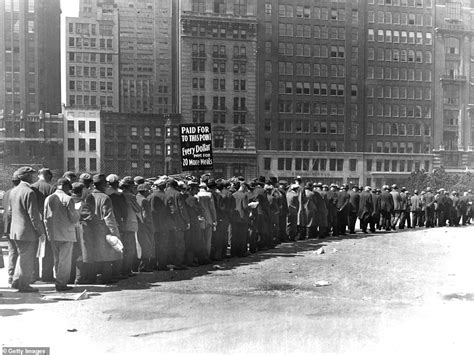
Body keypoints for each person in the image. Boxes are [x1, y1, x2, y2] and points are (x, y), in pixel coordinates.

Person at [9, 166, 47, 292]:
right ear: (25, 176)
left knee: (21, 256)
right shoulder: (29, 192)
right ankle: (24, 285)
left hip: (15, 231)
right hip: (27, 232)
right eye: (30, 175)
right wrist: (41, 232)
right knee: (27, 258)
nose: (33, 177)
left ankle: (16, 281)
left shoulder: (13, 191)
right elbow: (34, 216)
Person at [83, 174, 123, 284]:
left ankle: (91, 278)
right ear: (102, 184)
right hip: (103, 229)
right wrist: (115, 233)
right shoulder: (105, 198)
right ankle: (106, 278)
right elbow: (109, 217)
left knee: (93, 253)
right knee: (106, 255)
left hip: (90, 229)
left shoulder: (88, 195)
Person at [44, 178, 80, 291]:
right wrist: (78, 212)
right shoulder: (68, 199)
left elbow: (46, 218)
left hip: (53, 233)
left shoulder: (48, 198)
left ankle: (58, 280)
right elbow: (73, 218)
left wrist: (48, 232)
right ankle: (61, 283)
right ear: (65, 187)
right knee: (65, 260)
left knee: (57, 259)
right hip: (67, 234)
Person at [31, 167, 56, 282]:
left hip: (34, 223)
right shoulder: (52, 188)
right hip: (48, 223)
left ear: (38, 175)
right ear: (49, 176)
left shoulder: (32, 187)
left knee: (34, 249)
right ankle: (47, 275)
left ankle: (34, 275)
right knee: (48, 250)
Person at [148, 177, 173, 270]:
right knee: (163, 245)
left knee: (154, 245)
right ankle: (162, 265)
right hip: (164, 225)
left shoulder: (150, 196)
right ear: (164, 186)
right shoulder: (167, 196)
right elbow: (172, 211)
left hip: (153, 225)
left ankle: (152, 264)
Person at [165, 178, 190, 270]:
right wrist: (187, 220)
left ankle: (169, 261)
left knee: (169, 243)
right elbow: (182, 208)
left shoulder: (164, 193)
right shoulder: (177, 194)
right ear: (176, 186)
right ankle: (179, 263)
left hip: (167, 223)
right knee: (180, 244)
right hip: (178, 222)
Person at [120, 176, 141, 276]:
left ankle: (123, 269)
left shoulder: (120, 194)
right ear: (130, 187)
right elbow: (138, 209)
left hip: (122, 224)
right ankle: (127, 270)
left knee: (123, 248)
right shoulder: (131, 196)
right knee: (130, 248)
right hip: (130, 224)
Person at [3, 175, 21, 286]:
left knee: (12, 251)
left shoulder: (6, 193)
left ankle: (11, 275)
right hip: (15, 225)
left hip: (7, 226)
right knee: (20, 251)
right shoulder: (17, 193)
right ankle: (16, 277)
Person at [136, 183, 155, 272]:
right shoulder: (144, 200)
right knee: (146, 245)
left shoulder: (136, 198)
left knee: (140, 245)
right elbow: (146, 216)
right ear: (145, 191)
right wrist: (150, 226)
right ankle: (144, 266)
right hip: (145, 226)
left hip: (138, 225)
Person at [197, 182, 217, 264]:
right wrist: (214, 219)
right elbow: (212, 209)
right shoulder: (209, 195)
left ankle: (200, 257)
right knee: (208, 240)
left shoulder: (196, 195)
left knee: (201, 239)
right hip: (208, 219)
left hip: (200, 219)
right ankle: (207, 257)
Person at [231, 181, 250, 257]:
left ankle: (233, 252)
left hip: (234, 217)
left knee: (235, 236)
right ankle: (241, 252)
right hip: (242, 218)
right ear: (244, 187)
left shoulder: (233, 194)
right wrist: (250, 208)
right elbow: (245, 207)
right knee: (242, 236)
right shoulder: (244, 196)